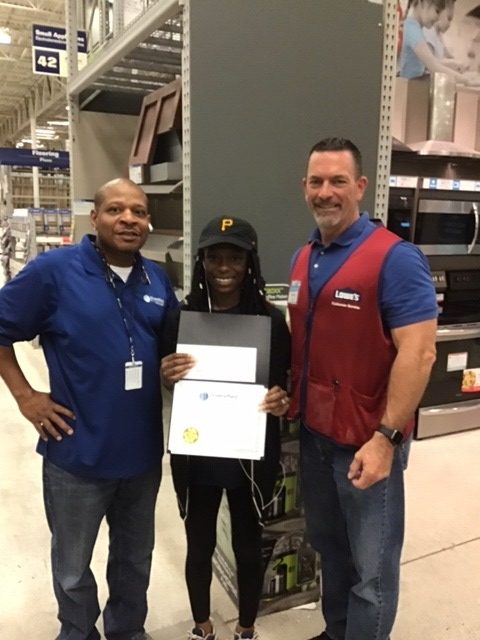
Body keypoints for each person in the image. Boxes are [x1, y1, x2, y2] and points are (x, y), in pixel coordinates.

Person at [0, 178, 179, 640]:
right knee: (72, 567)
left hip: (141, 458)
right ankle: (77, 633)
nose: (128, 219)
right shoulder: (54, 272)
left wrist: (174, 369)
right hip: (76, 454)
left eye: (138, 212)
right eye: (116, 210)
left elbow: (167, 354)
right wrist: (26, 396)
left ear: (148, 222)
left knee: (134, 561)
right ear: (94, 217)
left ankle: (128, 631)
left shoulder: (157, 279)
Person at [287, 138, 437, 640]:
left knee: (371, 570)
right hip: (315, 436)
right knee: (331, 550)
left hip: (367, 443)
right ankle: (337, 632)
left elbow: (420, 353)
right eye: (316, 181)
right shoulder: (303, 257)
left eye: (338, 181)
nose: (325, 192)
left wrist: (386, 439)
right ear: (304, 187)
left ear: (360, 187)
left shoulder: (395, 258)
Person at [160, 216, 291, 640]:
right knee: (198, 544)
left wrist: (282, 399)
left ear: (249, 262)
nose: (224, 267)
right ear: (201, 261)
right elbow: (170, 380)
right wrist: (167, 374)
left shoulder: (270, 321)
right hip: (198, 450)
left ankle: (246, 628)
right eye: (214, 257)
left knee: (247, 545)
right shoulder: (182, 317)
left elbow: (282, 385)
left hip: (247, 451)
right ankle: (202, 627)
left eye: (234, 257)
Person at [399, 0, 465, 80]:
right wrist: (466, 80)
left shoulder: (416, 28)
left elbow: (428, 65)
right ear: (422, 3)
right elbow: (433, 67)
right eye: (437, 11)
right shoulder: (412, 29)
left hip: (413, 83)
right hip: (408, 85)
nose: (438, 18)